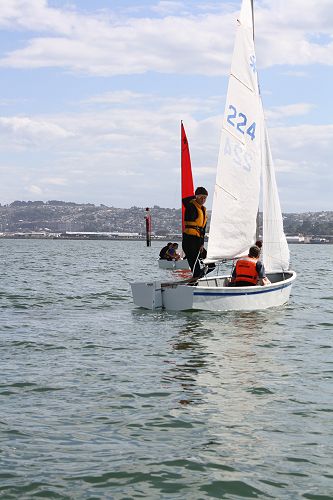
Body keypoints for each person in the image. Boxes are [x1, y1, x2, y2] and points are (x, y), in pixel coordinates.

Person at [182, 186, 208, 278]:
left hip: (198, 240)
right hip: (189, 240)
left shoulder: (204, 210)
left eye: (205, 197)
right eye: (201, 197)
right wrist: (195, 196)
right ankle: (196, 280)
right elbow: (184, 200)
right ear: (196, 196)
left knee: (211, 265)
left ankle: (198, 278)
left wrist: (202, 244)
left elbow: (203, 230)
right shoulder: (191, 206)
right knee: (195, 267)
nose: (203, 199)